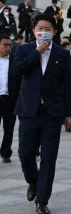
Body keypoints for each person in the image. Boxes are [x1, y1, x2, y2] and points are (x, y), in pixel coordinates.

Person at [12, 14, 71, 214]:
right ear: (33, 30)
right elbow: (16, 72)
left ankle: (42, 200)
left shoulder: (62, 54)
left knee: (49, 157)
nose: (44, 31)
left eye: (48, 28)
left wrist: (69, 113)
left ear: (55, 31)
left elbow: (69, 86)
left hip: (52, 113)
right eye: (40, 28)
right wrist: (37, 53)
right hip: (29, 111)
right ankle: (33, 181)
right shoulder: (22, 49)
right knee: (25, 153)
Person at [0, 34, 19, 163]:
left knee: (9, 127)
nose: (8, 48)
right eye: (5, 45)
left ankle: (6, 152)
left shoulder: (15, 60)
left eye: (10, 45)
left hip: (10, 99)